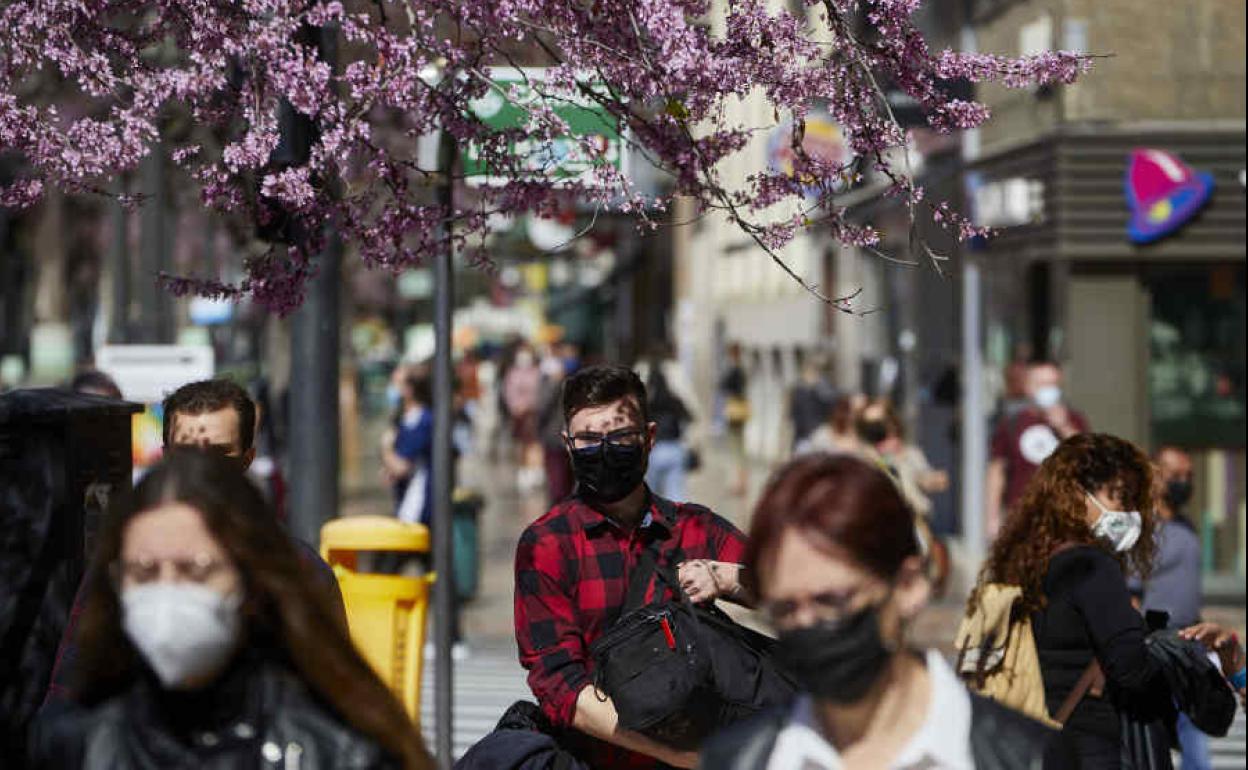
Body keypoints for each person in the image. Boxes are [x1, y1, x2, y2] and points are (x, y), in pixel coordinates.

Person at [28, 450, 433, 770]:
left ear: (252, 581)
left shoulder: (340, 749)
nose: (168, 592)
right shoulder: (73, 744)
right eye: (144, 571)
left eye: (197, 570)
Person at [700, 454, 1074, 770]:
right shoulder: (741, 759)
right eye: (785, 608)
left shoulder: (1024, 757)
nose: (807, 624)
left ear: (909, 585)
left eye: (831, 601)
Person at [43, 378, 346, 705]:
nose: (201, 471)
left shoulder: (298, 569)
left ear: (247, 459)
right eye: (187, 454)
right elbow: (71, 691)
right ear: (165, 456)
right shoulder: (125, 560)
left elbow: (335, 695)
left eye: (219, 454)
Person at [514, 365, 751, 769]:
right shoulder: (548, 544)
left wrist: (725, 577)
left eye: (621, 435)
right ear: (568, 444)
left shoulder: (694, 528)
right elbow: (559, 684)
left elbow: (788, 591)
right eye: (589, 438)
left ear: (650, 438)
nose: (604, 450)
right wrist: (682, 755)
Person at [971, 432, 1178, 769]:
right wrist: (1173, 660)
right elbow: (1130, 667)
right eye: (1119, 498)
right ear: (1075, 496)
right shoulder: (1093, 567)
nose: (1129, 513)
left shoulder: (1014, 566)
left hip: (1024, 743)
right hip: (1087, 748)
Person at [1135, 446, 1209, 769]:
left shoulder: (1187, 527)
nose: (1184, 482)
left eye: (1189, 476)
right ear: (1155, 476)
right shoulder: (1141, 529)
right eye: (1176, 475)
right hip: (1156, 647)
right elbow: (1130, 594)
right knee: (1154, 740)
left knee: (1195, 734)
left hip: (1190, 648)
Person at [986, 361, 1089, 539]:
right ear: (1028, 387)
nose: (1048, 390)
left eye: (1053, 384)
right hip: (1022, 516)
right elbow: (997, 471)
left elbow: (1086, 457)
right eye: (1042, 384)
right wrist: (992, 517)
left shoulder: (1074, 419)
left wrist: (1063, 426)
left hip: (1064, 517)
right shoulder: (1012, 423)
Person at [383, 368, 434, 525]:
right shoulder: (406, 420)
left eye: (397, 383)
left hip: (418, 508)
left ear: (409, 389)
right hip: (407, 504)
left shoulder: (422, 421)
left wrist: (386, 448)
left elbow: (401, 467)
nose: (392, 388)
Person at [643, 365, 692, 501]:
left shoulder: (647, 404)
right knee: (676, 497)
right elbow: (689, 418)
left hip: (654, 451)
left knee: (651, 499)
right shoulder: (674, 400)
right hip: (675, 449)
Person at [718, 343, 750, 496]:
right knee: (740, 448)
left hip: (734, 410)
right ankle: (742, 482)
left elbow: (723, 385)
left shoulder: (734, 369)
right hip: (742, 409)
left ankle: (739, 483)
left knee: (735, 448)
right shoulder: (743, 369)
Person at [788, 354, 836, 453]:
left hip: (818, 434)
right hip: (802, 437)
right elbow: (793, 415)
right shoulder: (799, 390)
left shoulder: (823, 388)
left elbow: (831, 405)